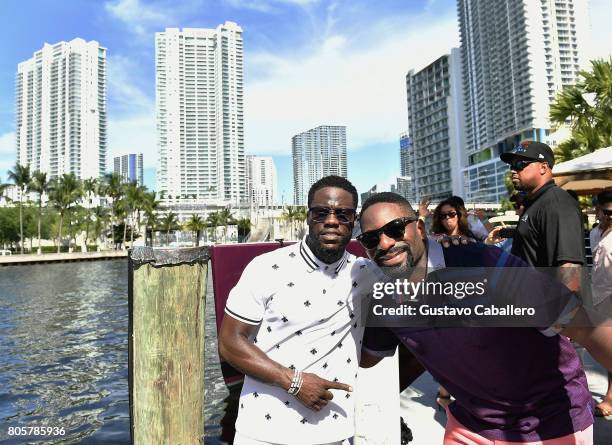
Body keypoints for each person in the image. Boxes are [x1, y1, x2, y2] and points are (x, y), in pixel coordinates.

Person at [357, 192, 612, 445]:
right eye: (370, 238)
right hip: (470, 423)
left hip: (547, 421)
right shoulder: (382, 294)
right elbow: (380, 356)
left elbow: (580, 324)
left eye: (395, 229)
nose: (385, 243)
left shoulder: (480, 262)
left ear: (420, 228)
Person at [218, 175, 384, 445]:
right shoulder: (266, 268)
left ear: (353, 221)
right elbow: (229, 342)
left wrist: (453, 247)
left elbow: (421, 277)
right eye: (321, 213)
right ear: (309, 217)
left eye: (343, 214)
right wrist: (294, 382)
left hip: (333, 432)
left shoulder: (366, 273)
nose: (331, 221)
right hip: (262, 431)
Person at [499, 141, 585, 293]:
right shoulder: (534, 203)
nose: (513, 170)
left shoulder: (557, 204)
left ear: (543, 168)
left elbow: (570, 268)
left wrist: (566, 314)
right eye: (511, 166)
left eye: (519, 164)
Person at [590, 190, 612, 418]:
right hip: (599, 298)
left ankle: (610, 397)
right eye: (607, 212)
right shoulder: (594, 234)